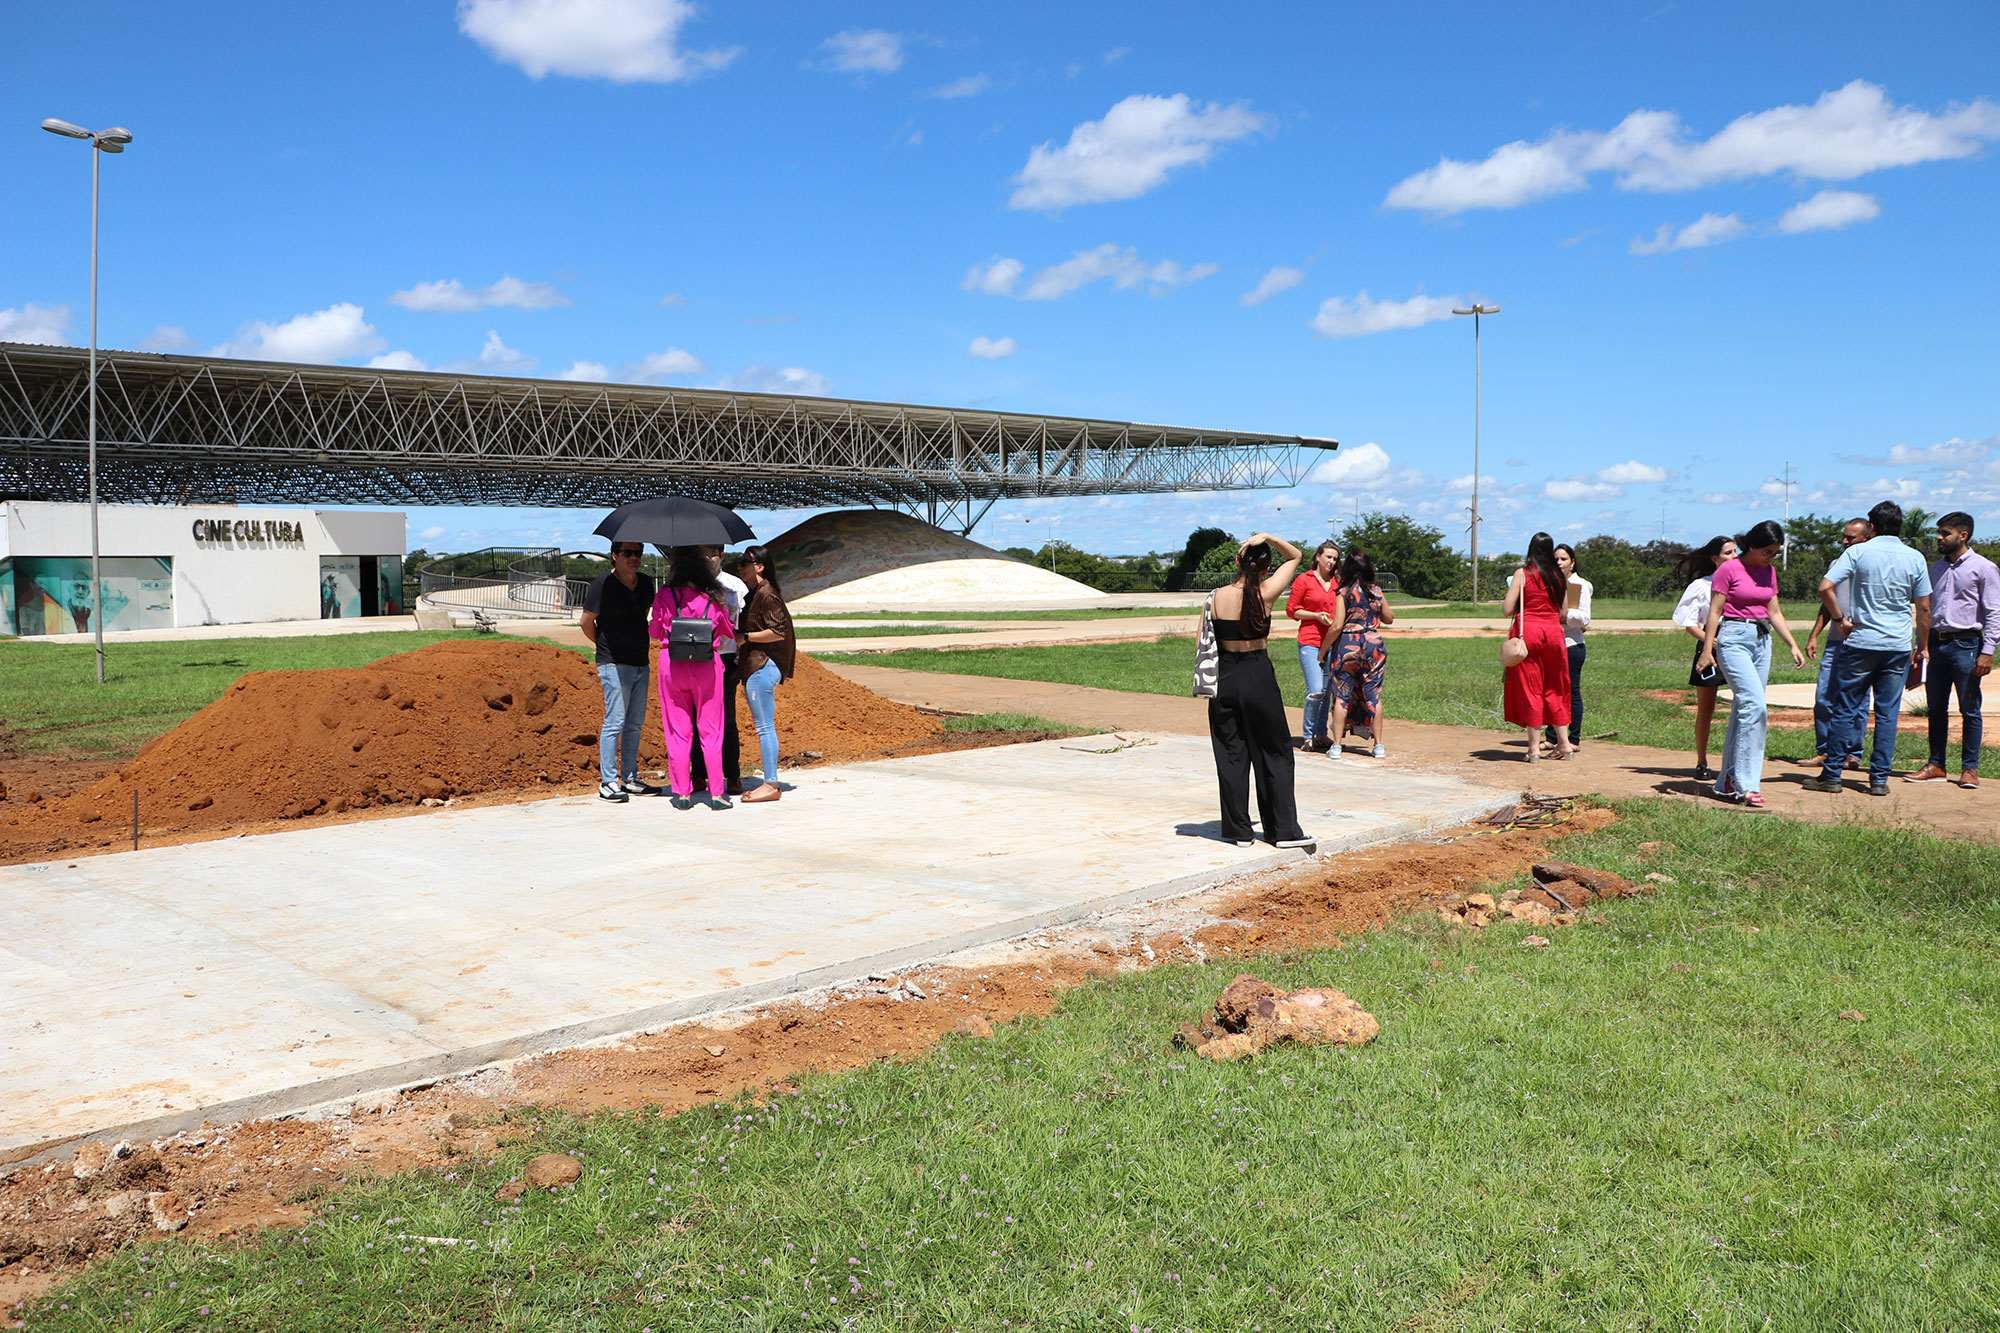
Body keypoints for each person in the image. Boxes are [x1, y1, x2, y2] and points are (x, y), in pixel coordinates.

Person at [1803, 501, 1931, 796]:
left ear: (1871, 526)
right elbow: (1924, 608)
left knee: (1845, 708)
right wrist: (1922, 646)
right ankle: (1879, 780)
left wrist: (1840, 620)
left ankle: (1832, 775)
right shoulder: (1915, 557)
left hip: (1861, 641)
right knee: (1887, 713)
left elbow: (1825, 587)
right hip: (1897, 644)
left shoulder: (1857, 552)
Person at [1205, 533, 1315, 849]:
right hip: (1257, 675)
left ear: (1237, 561)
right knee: (1274, 751)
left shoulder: (1215, 597)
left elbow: (1204, 642)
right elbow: (1295, 556)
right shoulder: (1265, 593)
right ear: (1265, 569)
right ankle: (1283, 831)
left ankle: (1239, 831)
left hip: (1225, 676)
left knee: (1231, 753)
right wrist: (1268, 536)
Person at [1698, 520, 1806, 807]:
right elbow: (1715, 611)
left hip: (1762, 640)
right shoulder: (1729, 569)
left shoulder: (1769, 572)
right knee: (1754, 706)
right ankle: (1746, 784)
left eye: (1776, 553)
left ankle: (1727, 780)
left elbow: (1774, 611)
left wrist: (1792, 644)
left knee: (1742, 709)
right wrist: (1707, 650)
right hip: (1733, 638)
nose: (1771, 557)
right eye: (1767, 552)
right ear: (1752, 546)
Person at [1908, 511, 1999, 788]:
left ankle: (1970, 769)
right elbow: (1926, 611)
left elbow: (1994, 612)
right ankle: (1936, 765)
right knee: (1936, 708)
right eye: (1939, 533)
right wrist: (1921, 646)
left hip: (1966, 645)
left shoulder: (1984, 568)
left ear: (1963, 535)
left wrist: (1988, 651)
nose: (1939, 538)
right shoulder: (1936, 569)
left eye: (1945, 533)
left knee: (1969, 708)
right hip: (1936, 645)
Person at [648, 545, 740, 810]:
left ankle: (682, 793)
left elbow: (654, 632)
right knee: (711, 730)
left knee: (678, 731)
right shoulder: (714, 597)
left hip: (672, 665)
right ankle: (717, 794)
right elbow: (727, 632)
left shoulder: (665, 595)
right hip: (706, 667)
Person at [580, 540, 659, 803]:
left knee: (634, 723)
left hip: (640, 661)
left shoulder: (645, 583)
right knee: (615, 721)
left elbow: (642, 616)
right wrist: (604, 646)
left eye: (638, 553)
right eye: (627, 553)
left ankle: (630, 778)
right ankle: (608, 781)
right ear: (614, 555)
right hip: (613, 662)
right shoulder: (602, 584)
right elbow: (586, 622)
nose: (634, 557)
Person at [1804, 518, 1873, 770]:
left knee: (1858, 700)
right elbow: (1827, 601)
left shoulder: (1873, 565)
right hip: (1836, 641)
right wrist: (1814, 635)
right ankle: (1825, 749)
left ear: (1867, 538)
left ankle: (1852, 753)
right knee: (1824, 697)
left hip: (1862, 641)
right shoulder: (1837, 564)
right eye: (1844, 536)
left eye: (1851, 537)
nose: (1845, 541)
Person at [1502, 532, 1574, 763]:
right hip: (1554, 633)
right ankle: (1565, 745)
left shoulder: (1522, 574)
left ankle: (1534, 749)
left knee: (1531, 688)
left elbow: (1507, 609)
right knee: (1556, 688)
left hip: (1529, 632)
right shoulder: (1559, 576)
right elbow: (1563, 612)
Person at [1671, 536, 1737, 780]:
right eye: (1728, 553)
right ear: (1714, 558)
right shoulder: (1701, 585)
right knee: (1706, 709)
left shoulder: (1742, 581)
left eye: (1736, 551)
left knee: (1743, 706)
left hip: (1738, 642)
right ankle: (1702, 761)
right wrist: (1711, 641)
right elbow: (1688, 623)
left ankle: (1736, 763)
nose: (1734, 556)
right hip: (1712, 644)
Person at [734, 544, 796, 804]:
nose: (740, 566)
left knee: (765, 727)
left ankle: (770, 784)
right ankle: (770, 782)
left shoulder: (767, 594)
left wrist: (746, 637)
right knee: (764, 726)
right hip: (757, 665)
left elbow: (779, 631)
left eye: (745, 562)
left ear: (759, 566)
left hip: (762, 666)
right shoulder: (755, 594)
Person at [1318, 549, 1394, 759]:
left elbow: (1336, 626)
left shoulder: (1343, 593)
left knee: (1342, 696)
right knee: (1374, 696)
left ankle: (1336, 746)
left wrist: (1323, 651)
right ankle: (1379, 745)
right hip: (1373, 645)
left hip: (1347, 645)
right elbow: (1389, 618)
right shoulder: (1376, 591)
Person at [690, 547, 748, 798]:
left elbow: (744, 622)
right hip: (698, 658)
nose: (708, 558)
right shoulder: (692, 586)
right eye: (704, 553)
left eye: (714, 553)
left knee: (728, 718)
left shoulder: (735, 586)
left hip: (726, 657)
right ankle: (699, 773)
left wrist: (740, 658)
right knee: (697, 717)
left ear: (722, 555)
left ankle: (732, 773)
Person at [1285, 539, 1342, 752]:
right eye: (1328, 557)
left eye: (1335, 558)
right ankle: (1307, 735)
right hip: (1310, 641)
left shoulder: (1337, 582)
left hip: (1332, 642)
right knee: (1316, 690)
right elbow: (1292, 610)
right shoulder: (1304, 580)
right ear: (1318, 557)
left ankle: (1320, 733)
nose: (1331, 561)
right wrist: (1316, 616)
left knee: (1326, 691)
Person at [1543, 543, 1592, 755]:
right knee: (1551, 692)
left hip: (1571, 645)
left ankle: (1573, 738)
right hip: (1551, 645)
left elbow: (1585, 618)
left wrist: (1564, 615)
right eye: (1555, 559)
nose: (1559, 563)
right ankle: (1552, 737)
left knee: (1571, 692)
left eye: (1563, 559)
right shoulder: (1548, 584)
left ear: (1572, 562)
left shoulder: (1581, 585)